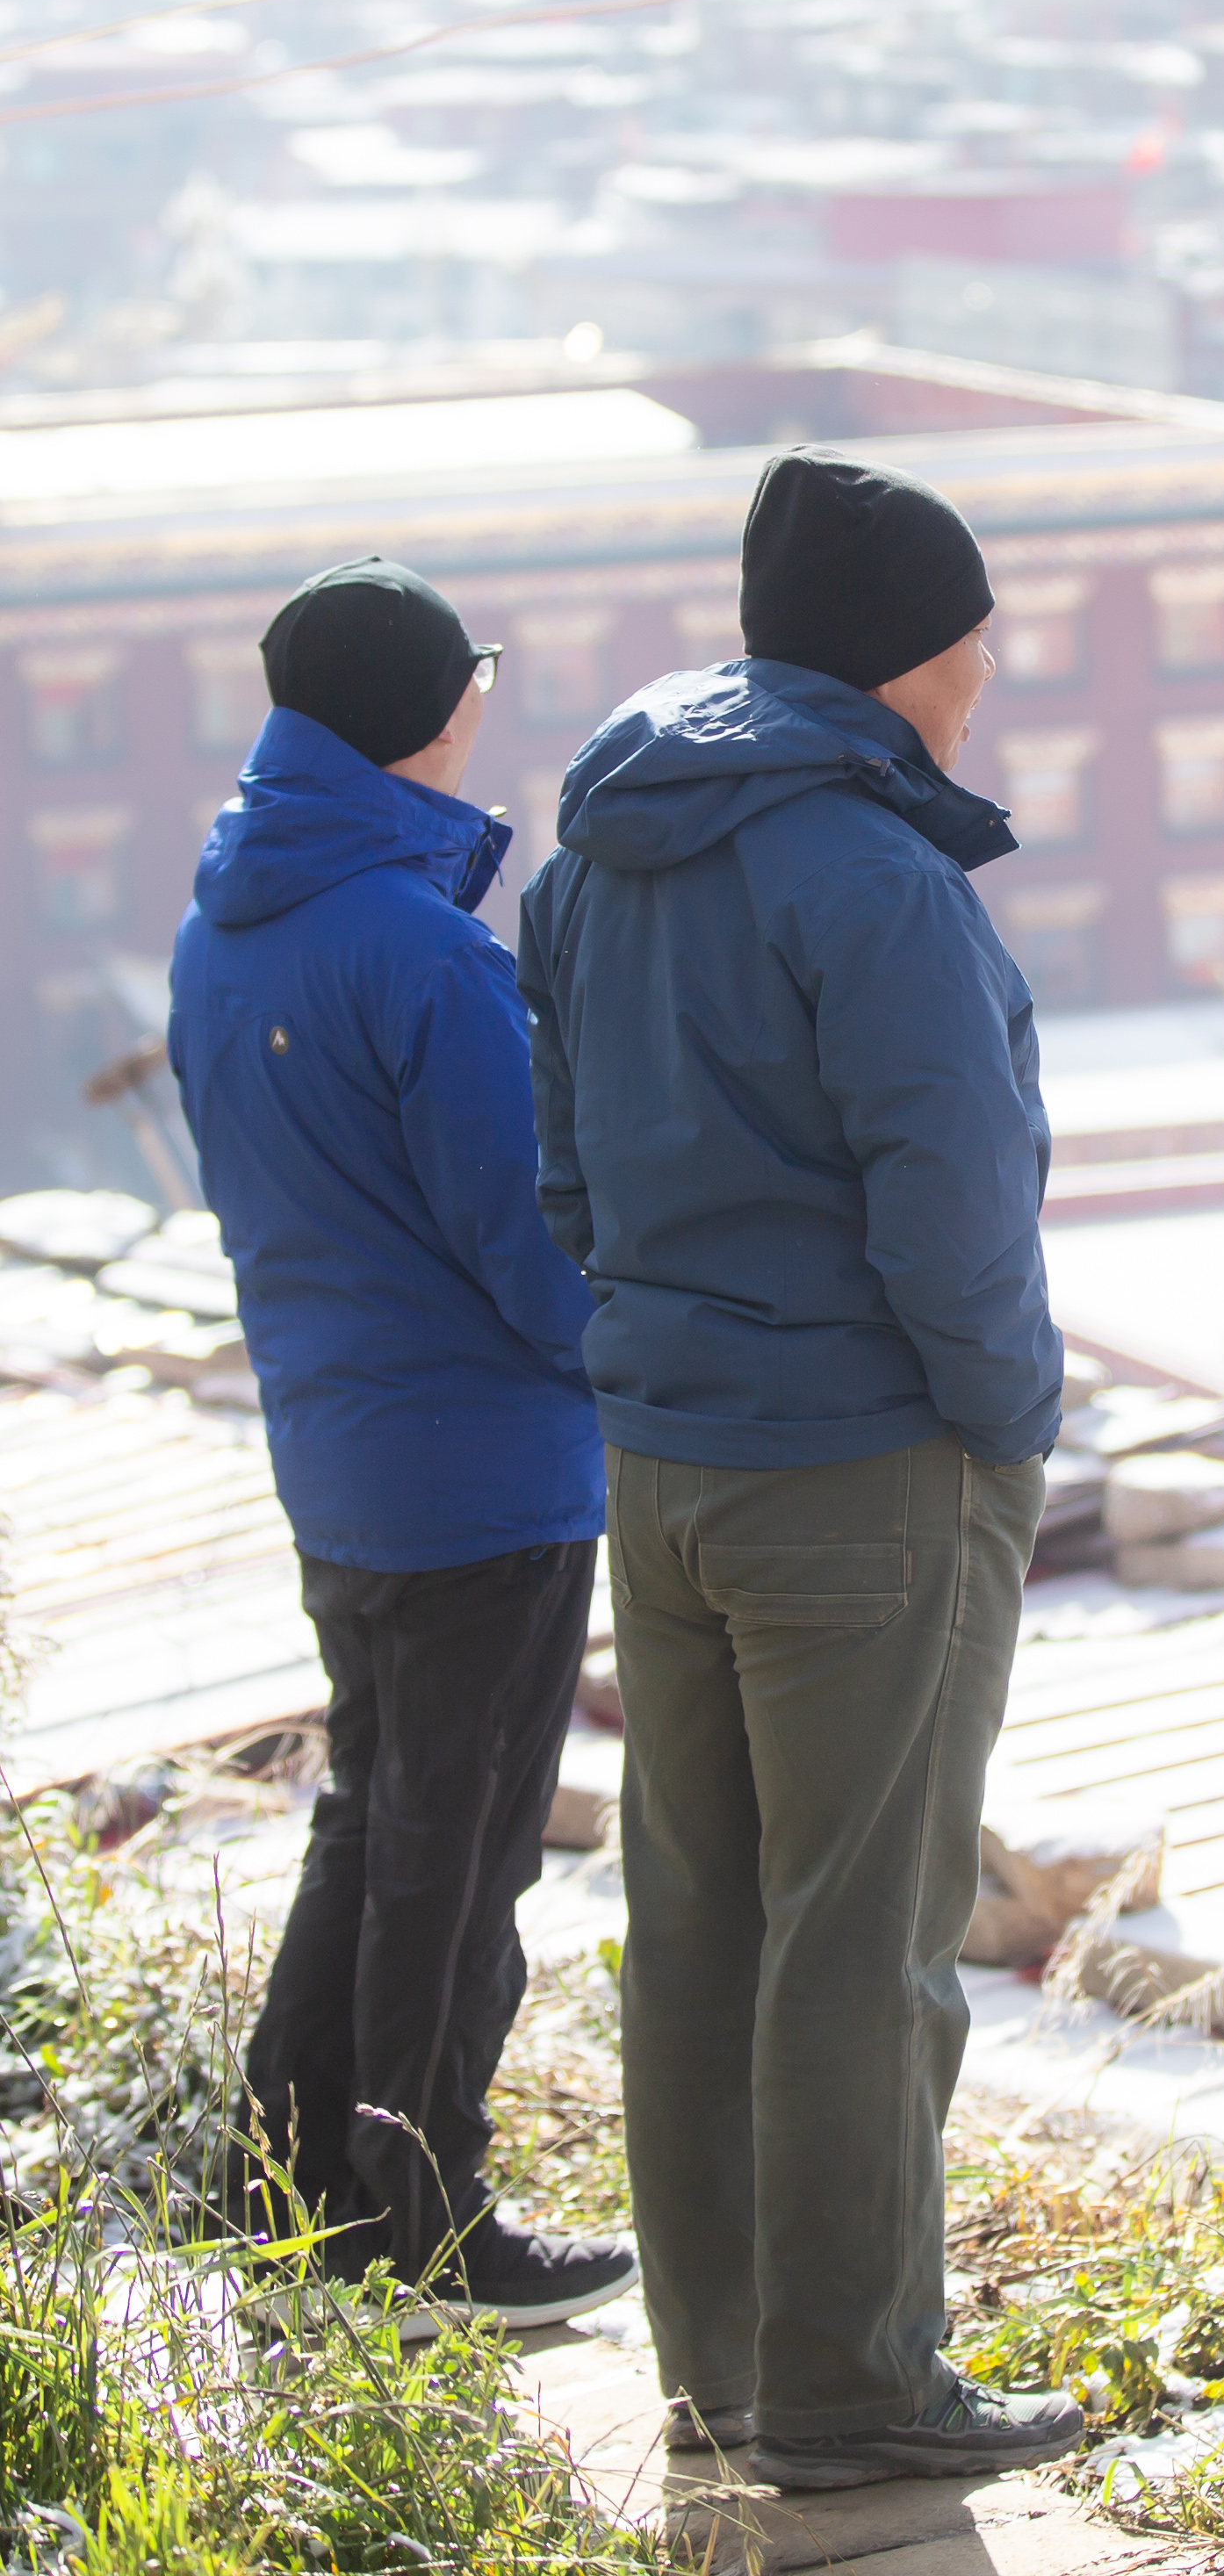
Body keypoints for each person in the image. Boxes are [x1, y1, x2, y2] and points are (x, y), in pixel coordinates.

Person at [516, 450, 1080, 2488]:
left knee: (699, 1919)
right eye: (972, 643)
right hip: (865, 1468)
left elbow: (562, 1167)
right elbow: (953, 1205)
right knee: (861, 1937)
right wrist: (1002, 1421)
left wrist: (663, 1335)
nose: (984, 679)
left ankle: (725, 2367)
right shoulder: (876, 882)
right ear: (905, 658)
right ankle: (853, 2393)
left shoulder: (596, 859)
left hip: (662, 1458)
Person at [168, 555, 637, 2335]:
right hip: (484, 1479)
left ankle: (287, 2197)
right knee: (457, 1866)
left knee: (373, 1829)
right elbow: (532, 1247)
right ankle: (424, 2233)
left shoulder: (226, 925)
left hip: (341, 1455)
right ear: (434, 714)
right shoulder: (421, 952)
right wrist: (644, 1366)